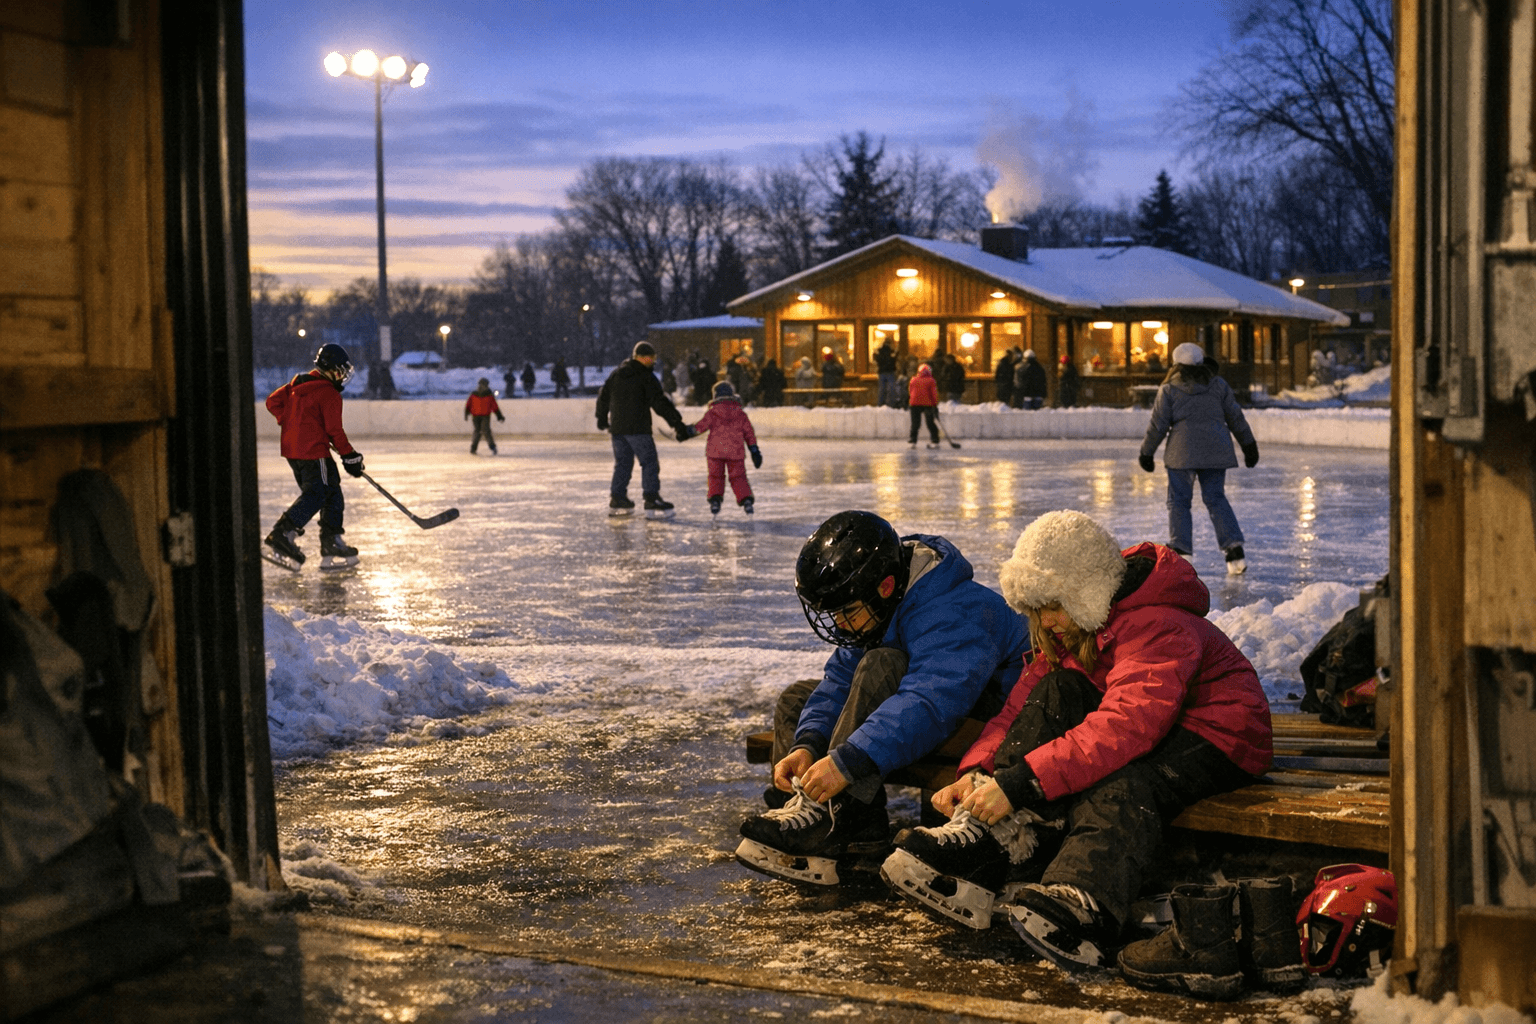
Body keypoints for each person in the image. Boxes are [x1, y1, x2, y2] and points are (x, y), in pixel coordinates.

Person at [881, 510, 1271, 977]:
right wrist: (980, 776)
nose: (1047, 620)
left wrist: (1021, 784)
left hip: (1220, 734)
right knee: (1056, 690)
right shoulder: (1075, 627)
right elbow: (1020, 711)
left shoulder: (1159, 623)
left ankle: (1086, 897)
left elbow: (1127, 725)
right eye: (1038, 608)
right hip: (1156, 726)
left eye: (1056, 605)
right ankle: (988, 844)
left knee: (1126, 780)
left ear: (1086, 591)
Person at [735, 510, 1029, 888]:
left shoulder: (954, 608)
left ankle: (834, 816)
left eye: (846, 612)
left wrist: (846, 763)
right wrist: (808, 745)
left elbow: (931, 701)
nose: (839, 624)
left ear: (886, 586)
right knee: (798, 699)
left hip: (987, 720)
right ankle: (825, 814)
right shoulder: (879, 605)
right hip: (930, 715)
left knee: (881, 664)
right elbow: (839, 679)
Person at [1138, 342, 1259, 574]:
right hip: (1216, 449)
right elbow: (1236, 416)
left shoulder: (1169, 389)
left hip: (1181, 453)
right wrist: (1248, 444)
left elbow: (1158, 425)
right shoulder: (1218, 385)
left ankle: (1182, 552)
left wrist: (1147, 452)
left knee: (1179, 501)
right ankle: (1235, 552)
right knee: (1216, 498)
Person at [263, 343, 364, 571]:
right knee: (318, 494)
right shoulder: (329, 393)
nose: (342, 375)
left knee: (331, 492)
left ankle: (332, 542)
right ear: (329, 368)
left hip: (293, 450)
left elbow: (272, 402)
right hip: (313, 451)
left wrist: (294, 423)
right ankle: (282, 534)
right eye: (340, 370)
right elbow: (334, 432)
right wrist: (351, 457)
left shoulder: (296, 384)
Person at [596, 341, 691, 517]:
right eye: (650, 358)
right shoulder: (645, 377)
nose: (653, 362)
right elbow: (660, 402)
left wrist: (602, 418)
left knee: (623, 464)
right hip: (638, 428)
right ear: (641, 358)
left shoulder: (616, 374)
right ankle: (651, 498)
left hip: (618, 429)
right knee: (649, 462)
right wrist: (676, 423)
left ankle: (617, 497)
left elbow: (603, 396)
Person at [684, 381, 760, 515]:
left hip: (715, 452)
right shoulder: (741, 414)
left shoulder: (713, 412)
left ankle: (715, 500)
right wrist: (754, 450)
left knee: (715, 476)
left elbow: (700, 427)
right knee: (738, 477)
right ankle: (746, 500)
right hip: (735, 452)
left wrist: (689, 431)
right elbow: (749, 433)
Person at [463, 377, 505, 455]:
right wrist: (466, 413)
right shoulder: (475, 394)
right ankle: (474, 448)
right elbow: (468, 404)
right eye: (482, 384)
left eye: (484, 384)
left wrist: (499, 416)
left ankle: (491, 447)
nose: (483, 386)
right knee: (479, 431)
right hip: (477, 416)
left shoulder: (488, 395)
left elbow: (494, 407)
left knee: (484, 431)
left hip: (484, 416)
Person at [907, 363, 941, 448]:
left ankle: (913, 440)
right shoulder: (931, 380)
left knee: (915, 423)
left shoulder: (913, 379)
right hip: (928, 404)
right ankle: (935, 440)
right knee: (930, 422)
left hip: (914, 403)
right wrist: (935, 404)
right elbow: (934, 394)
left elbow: (910, 391)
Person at [874, 339, 900, 407]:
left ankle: (880, 404)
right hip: (890, 372)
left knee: (882, 389)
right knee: (891, 389)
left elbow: (876, 358)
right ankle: (891, 404)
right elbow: (894, 359)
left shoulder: (879, 351)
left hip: (882, 372)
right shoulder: (892, 352)